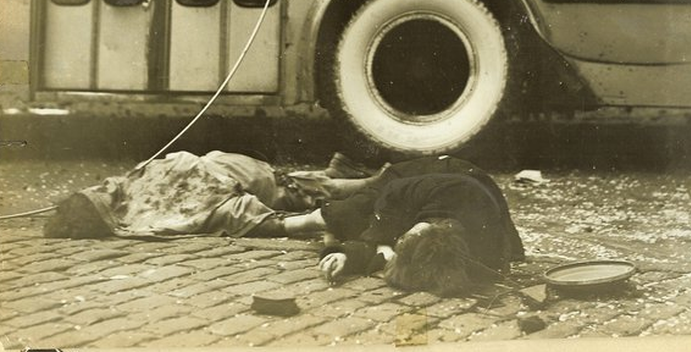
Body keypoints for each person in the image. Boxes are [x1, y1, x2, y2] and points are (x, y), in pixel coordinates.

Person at [282, 156, 525, 296]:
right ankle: (283, 223)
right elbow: (389, 200)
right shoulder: (430, 193)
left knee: (361, 228)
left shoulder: (486, 258)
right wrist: (377, 243)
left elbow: (391, 257)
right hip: (422, 174)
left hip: (459, 196)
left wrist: (345, 255)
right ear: (418, 228)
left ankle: (343, 182)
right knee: (346, 212)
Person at [43, 150, 381, 239]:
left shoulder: (131, 198)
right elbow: (223, 212)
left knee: (288, 190)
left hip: (234, 174)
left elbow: (219, 212)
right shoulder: (136, 208)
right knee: (290, 190)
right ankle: (339, 181)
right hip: (237, 177)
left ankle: (340, 182)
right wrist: (309, 223)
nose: (103, 186)